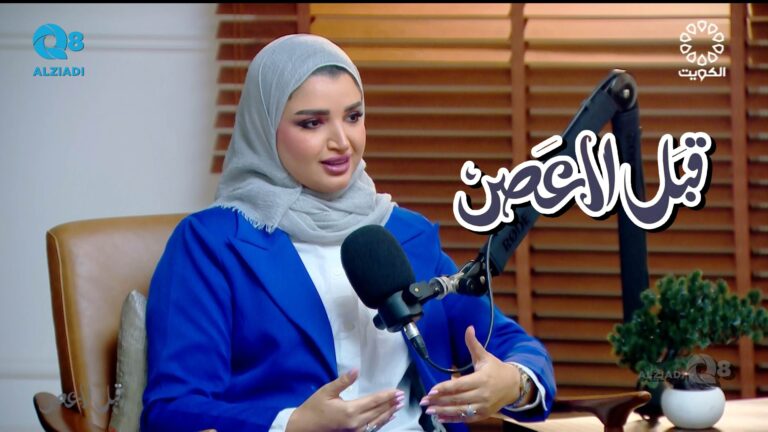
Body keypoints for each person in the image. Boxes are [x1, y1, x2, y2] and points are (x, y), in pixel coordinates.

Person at [141, 34, 555, 432]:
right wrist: (292, 424)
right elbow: (172, 410)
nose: (341, 142)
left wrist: (513, 382)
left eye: (353, 117)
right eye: (311, 123)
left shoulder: (405, 233)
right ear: (264, 129)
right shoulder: (210, 244)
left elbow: (512, 345)